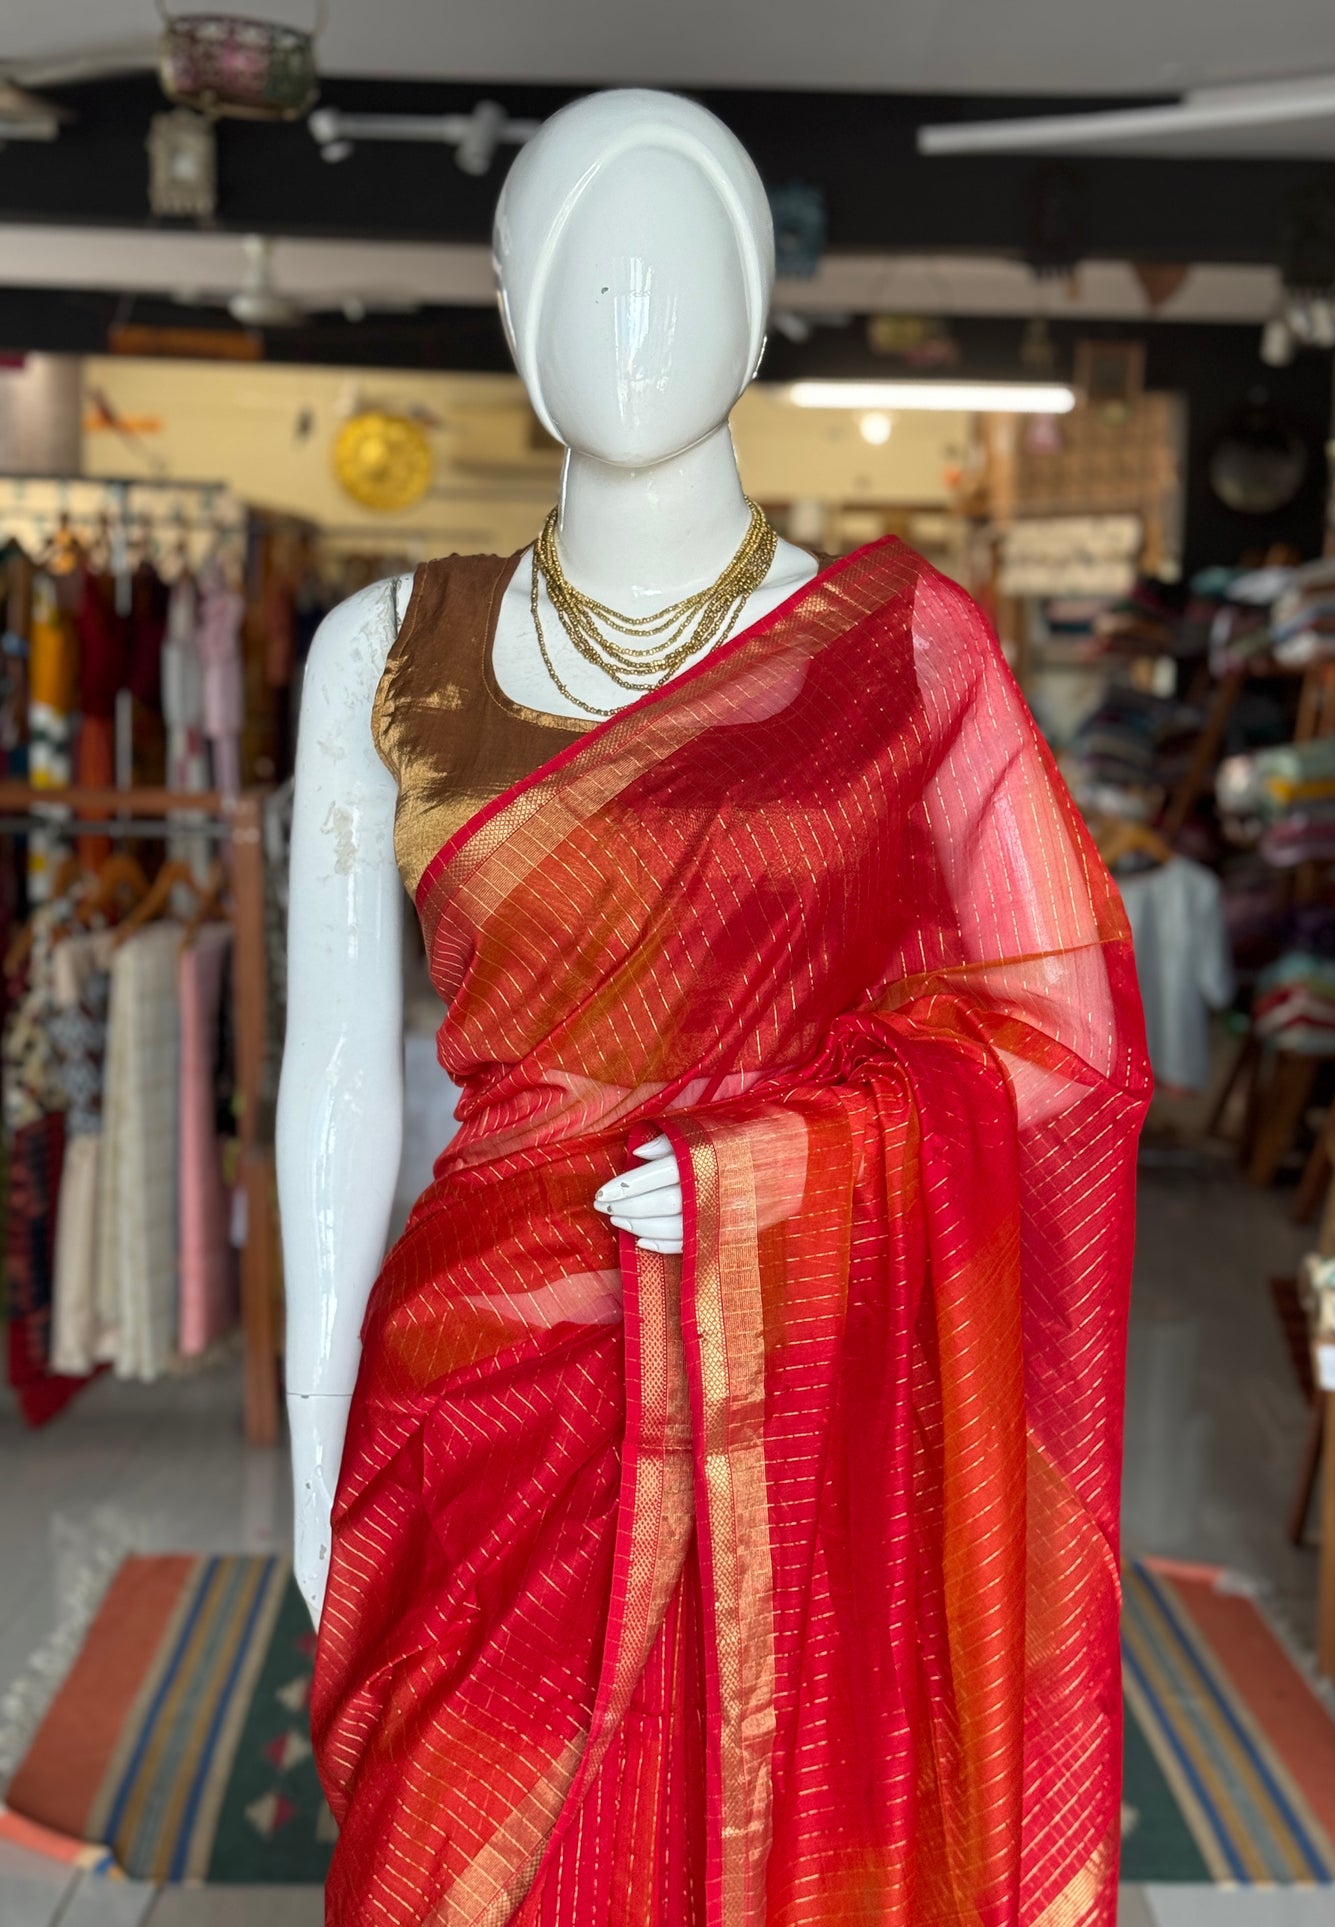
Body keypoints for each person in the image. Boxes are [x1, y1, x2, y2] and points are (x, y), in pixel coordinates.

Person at [278, 88, 1150, 1927]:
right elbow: (333, 1080)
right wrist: (311, 1433)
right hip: (485, 1383)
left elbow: (1060, 1041)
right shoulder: (381, 655)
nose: (630, 314)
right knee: (456, 1854)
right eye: (581, 270)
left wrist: (783, 1171)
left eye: (679, 269)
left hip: (796, 1379)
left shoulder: (902, 650)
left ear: (762, 321)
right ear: (509, 313)